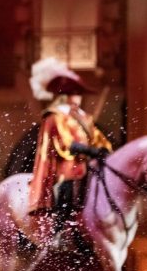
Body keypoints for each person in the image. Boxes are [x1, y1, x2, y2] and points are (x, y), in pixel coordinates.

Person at [27, 58, 112, 245]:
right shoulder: (56, 116)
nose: (79, 98)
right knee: (68, 188)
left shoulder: (82, 117)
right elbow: (65, 144)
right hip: (66, 166)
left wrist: (104, 149)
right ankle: (60, 230)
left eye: (80, 94)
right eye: (76, 93)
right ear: (65, 95)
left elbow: (97, 137)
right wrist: (88, 150)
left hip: (85, 164)